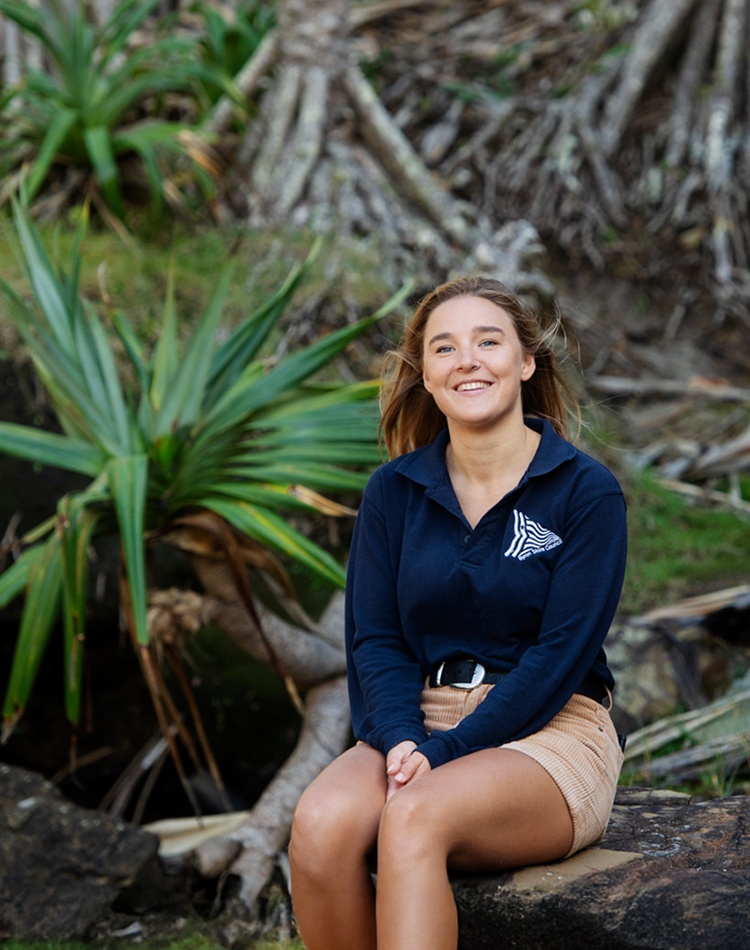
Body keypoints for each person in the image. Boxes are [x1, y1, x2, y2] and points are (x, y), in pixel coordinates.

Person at [289, 276, 627, 950]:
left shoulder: (586, 493)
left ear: (526, 362)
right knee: (321, 821)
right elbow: (377, 639)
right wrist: (402, 735)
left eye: (488, 341)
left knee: (412, 816)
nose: (466, 360)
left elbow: (559, 657)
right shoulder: (394, 492)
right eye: (444, 348)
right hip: (421, 716)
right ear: (427, 377)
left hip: (552, 729)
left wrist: (445, 753)